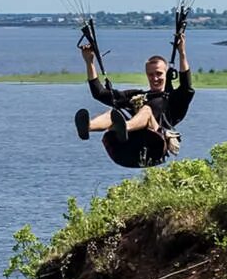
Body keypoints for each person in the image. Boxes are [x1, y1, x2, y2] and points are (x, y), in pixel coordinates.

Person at [73, 10, 194, 168]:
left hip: (154, 145)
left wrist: (182, 53)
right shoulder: (137, 96)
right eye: (151, 74)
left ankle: (125, 127)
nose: (155, 78)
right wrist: (89, 62)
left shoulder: (173, 100)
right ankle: (87, 127)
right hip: (127, 149)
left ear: (167, 73)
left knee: (146, 111)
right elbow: (100, 93)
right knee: (112, 112)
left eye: (159, 74)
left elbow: (187, 86)